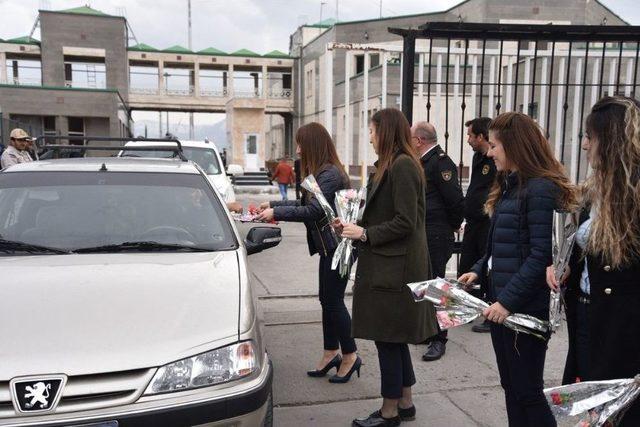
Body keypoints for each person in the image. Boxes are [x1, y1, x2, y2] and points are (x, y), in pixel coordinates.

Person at [458, 112, 576, 427]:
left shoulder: (539, 189)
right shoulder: (512, 185)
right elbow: (502, 245)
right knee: (512, 387)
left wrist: (506, 302)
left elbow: (541, 257)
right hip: (504, 305)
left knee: (526, 391)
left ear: (514, 145)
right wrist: (479, 270)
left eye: (494, 145)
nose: (489, 151)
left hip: (523, 310)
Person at [338, 109, 437, 427]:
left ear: (386, 132)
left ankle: (389, 411)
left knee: (388, 339)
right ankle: (405, 403)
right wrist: (354, 225)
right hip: (387, 266)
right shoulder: (390, 164)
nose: (369, 136)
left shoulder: (404, 165)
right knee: (391, 337)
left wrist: (365, 234)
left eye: (372, 130)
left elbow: (406, 222)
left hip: (397, 270)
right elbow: (385, 214)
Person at [547, 96, 640, 426]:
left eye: (590, 137)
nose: (584, 145)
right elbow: (588, 248)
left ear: (611, 140)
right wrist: (568, 265)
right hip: (586, 313)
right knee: (593, 402)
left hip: (622, 329)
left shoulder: (635, 194)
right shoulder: (598, 188)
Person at [256, 122, 359, 384]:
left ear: (312, 144)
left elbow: (314, 211)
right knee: (327, 300)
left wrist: (276, 213)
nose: (298, 150)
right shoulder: (322, 172)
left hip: (340, 248)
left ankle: (350, 355)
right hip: (331, 247)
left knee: (333, 302)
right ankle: (330, 352)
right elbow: (306, 204)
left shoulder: (330, 174)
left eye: (301, 144)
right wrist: (274, 204)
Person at [410, 122, 464, 362]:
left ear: (419, 140)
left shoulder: (440, 163)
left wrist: (451, 225)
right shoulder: (424, 162)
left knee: (439, 288)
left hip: (437, 233)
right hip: (425, 232)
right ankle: (430, 332)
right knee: (427, 284)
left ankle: (440, 339)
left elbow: (455, 200)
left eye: (410, 138)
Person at [460, 117, 496, 333]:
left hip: (488, 223)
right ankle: (467, 308)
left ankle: (491, 314)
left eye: (470, 135)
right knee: (467, 265)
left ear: (481, 136)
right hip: (473, 221)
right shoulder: (477, 158)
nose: (468, 140)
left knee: (488, 268)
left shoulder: (494, 160)